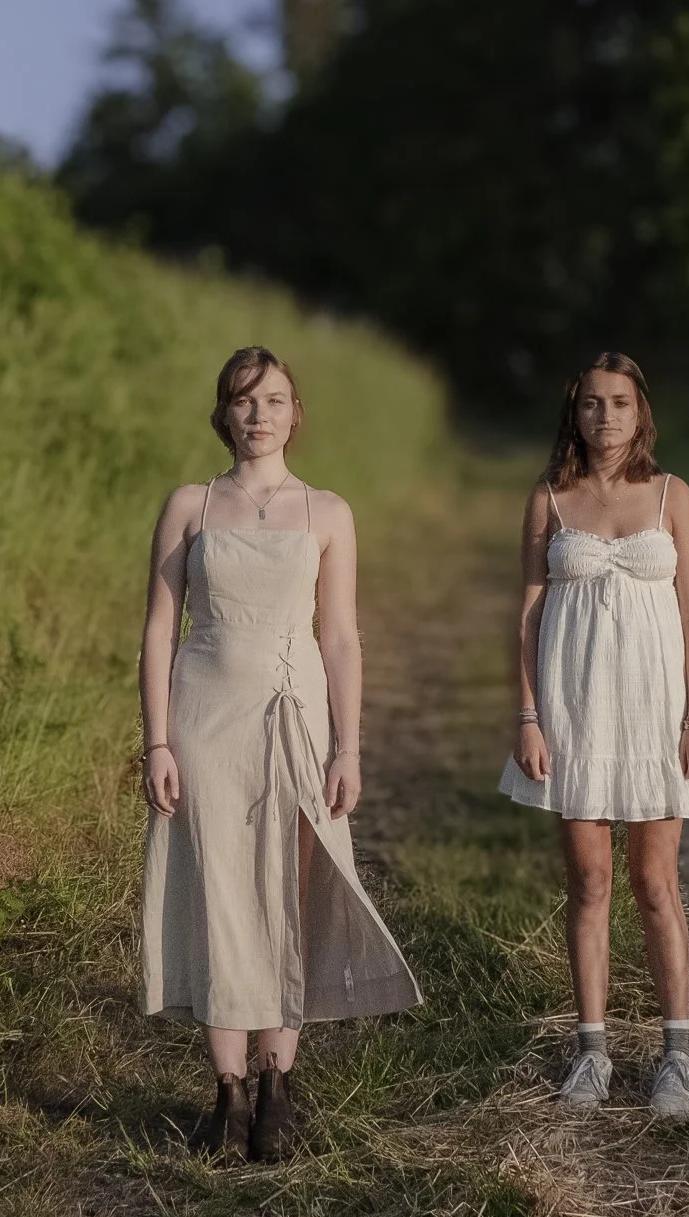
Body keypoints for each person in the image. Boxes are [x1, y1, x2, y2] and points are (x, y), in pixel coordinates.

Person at [139, 345, 421, 1163]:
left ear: (297, 414)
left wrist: (349, 747)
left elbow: (339, 635)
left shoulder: (326, 512)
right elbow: (160, 629)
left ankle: (277, 1088)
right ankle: (225, 1096)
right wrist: (155, 738)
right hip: (204, 717)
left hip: (294, 720)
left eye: (275, 400)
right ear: (223, 413)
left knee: (286, 898)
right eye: (244, 400)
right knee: (219, 893)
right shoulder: (190, 505)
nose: (259, 414)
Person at [500, 352, 689, 1118]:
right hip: (574, 708)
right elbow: (528, 615)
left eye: (620, 404)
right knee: (589, 883)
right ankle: (591, 1053)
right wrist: (528, 714)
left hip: (657, 711)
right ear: (576, 409)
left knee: (654, 884)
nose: (606, 418)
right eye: (593, 403)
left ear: (640, 412)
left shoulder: (670, 495)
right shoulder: (550, 497)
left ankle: (677, 1057)